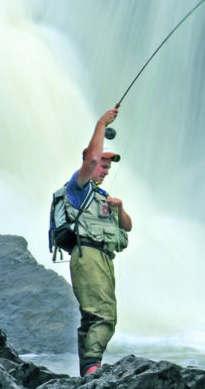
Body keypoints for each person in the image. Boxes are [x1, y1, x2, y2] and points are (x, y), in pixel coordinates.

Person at [66, 107, 133, 376]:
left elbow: (128, 227)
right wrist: (102, 123)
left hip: (103, 258)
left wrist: (119, 210)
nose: (104, 170)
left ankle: (87, 372)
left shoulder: (101, 196)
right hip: (88, 256)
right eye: (102, 164)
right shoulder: (78, 187)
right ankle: (94, 368)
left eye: (108, 166)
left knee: (91, 317)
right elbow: (92, 160)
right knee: (104, 315)